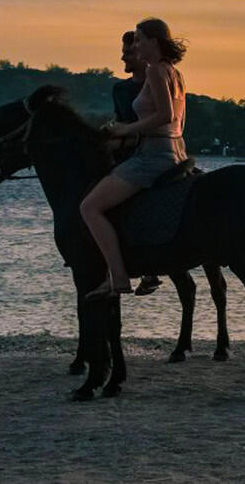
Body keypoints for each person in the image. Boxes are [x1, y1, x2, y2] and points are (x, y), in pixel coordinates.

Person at [80, 18, 188, 300]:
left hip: (154, 156)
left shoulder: (154, 70)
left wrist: (124, 130)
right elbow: (175, 121)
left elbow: (165, 116)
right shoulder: (173, 72)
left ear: (154, 41)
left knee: (89, 207)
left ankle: (118, 277)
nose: (136, 44)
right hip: (177, 151)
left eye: (139, 39)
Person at [112, 30, 163, 297]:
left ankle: (144, 267)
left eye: (129, 52)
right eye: (124, 51)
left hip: (148, 150)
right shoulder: (120, 89)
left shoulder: (157, 81)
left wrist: (126, 131)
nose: (124, 56)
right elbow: (121, 119)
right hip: (125, 148)